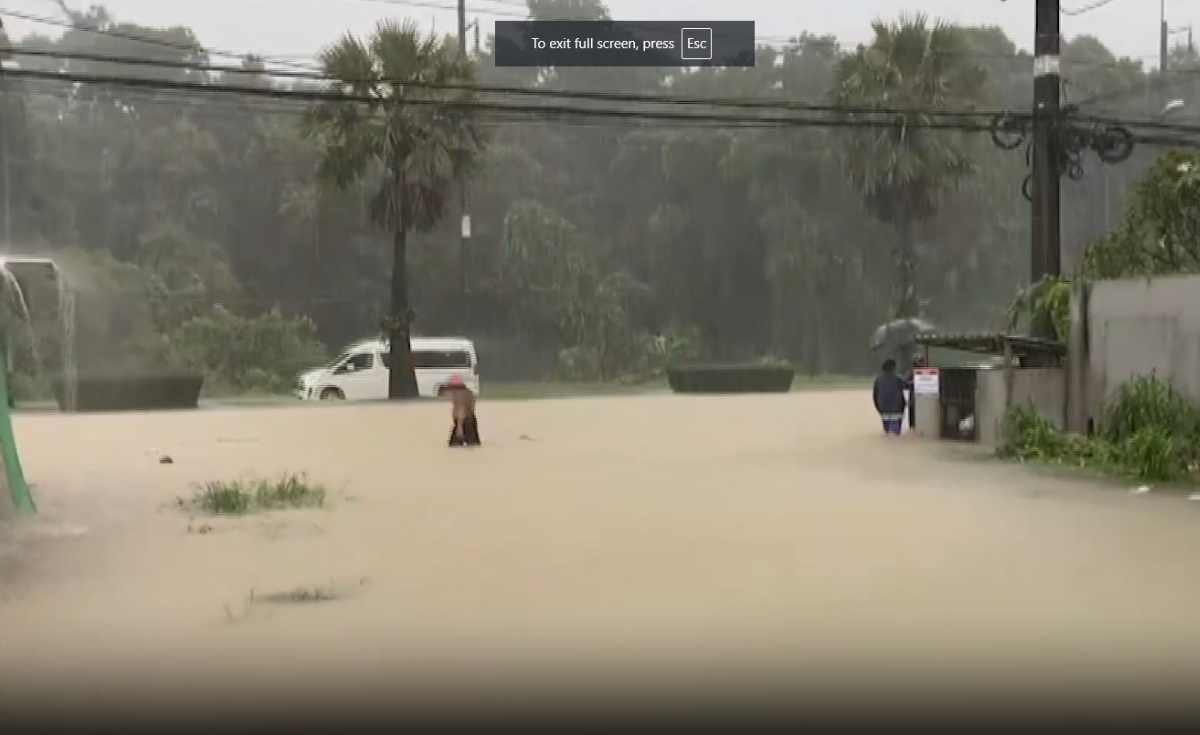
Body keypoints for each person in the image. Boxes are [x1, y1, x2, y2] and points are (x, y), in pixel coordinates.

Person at [873, 358, 907, 437]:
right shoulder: (898, 379)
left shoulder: (878, 380)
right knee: (894, 435)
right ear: (893, 367)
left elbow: (875, 396)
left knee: (887, 432)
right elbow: (908, 386)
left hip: (883, 410)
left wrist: (879, 409)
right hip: (896, 410)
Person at [446, 374, 481, 448]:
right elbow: (471, 408)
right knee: (473, 445)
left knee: (454, 446)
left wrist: (459, 427)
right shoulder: (470, 393)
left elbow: (461, 410)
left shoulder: (458, 395)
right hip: (471, 420)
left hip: (462, 421)